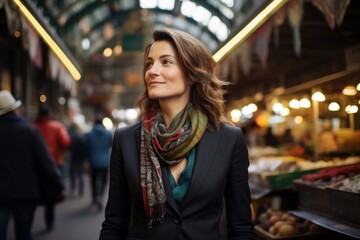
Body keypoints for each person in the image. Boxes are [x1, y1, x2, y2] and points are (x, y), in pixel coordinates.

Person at [99, 28, 254, 239]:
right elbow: (114, 225)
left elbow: (241, 227)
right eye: (149, 63)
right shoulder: (125, 140)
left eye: (166, 62)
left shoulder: (228, 139)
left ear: (191, 74)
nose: (152, 71)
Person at [0, 90, 64, 240]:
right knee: (24, 232)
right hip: (26, 192)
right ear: (15, 110)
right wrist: (59, 184)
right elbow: (46, 162)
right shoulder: (29, 131)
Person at [34, 105, 71, 231]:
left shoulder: (32, 127)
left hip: (36, 166)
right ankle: (49, 222)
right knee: (51, 194)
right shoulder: (57, 126)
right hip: (54, 163)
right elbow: (66, 142)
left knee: (33, 192)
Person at [84, 117, 112, 210]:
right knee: (104, 180)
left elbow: (86, 148)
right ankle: (100, 195)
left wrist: (87, 161)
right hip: (105, 162)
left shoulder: (88, 135)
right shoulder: (108, 134)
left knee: (93, 181)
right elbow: (109, 145)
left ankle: (94, 197)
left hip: (93, 161)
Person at [68, 123, 87, 197]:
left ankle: (73, 189)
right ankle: (81, 190)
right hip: (81, 159)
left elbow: (69, 147)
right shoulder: (82, 138)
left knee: (73, 174)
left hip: (73, 158)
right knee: (80, 174)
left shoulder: (71, 136)